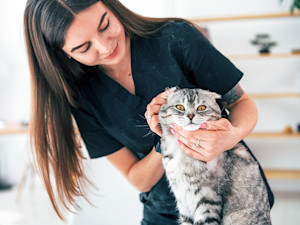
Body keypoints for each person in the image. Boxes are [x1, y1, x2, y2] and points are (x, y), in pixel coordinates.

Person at [23, 0, 274, 224]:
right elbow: (138, 179)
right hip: (164, 212)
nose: (105, 45)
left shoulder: (177, 38)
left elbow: (242, 103)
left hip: (235, 199)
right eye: (84, 47)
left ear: (111, 6)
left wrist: (231, 135)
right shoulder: (82, 97)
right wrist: (166, 138)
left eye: (104, 25)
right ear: (63, 54)